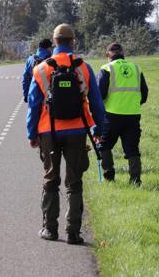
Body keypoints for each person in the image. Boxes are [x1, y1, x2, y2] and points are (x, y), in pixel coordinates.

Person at [27, 24, 105, 244]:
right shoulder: (84, 67)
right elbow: (96, 103)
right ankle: (73, 232)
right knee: (74, 181)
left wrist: (32, 133)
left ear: (54, 42)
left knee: (51, 179)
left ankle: (50, 229)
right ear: (73, 42)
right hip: (77, 130)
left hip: (48, 131)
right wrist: (98, 129)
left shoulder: (41, 69)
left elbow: (33, 104)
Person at [97, 42, 149, 186]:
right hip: (133, 115)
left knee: (105, 145)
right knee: (132, 149)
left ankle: (109, 178)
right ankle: (135, 180)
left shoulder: (106, 68)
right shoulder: (136, 68)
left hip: (112, 115)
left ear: (108, 54)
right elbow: (144, 94)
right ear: (122, 53)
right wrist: (133, 104)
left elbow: (99, 95)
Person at [22, 39, 52, 103]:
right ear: (48, 48)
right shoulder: (50, 60)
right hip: (46, 95)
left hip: (33, 93)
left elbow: (25, 79)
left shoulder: (30, 59)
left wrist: (26, 95)